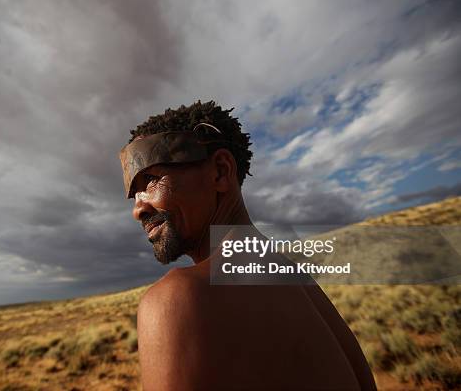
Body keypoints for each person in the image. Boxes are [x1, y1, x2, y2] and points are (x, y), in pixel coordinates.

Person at [118, 100, 377, 390]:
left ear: (220, 171)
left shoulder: (178, 299)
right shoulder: (301, 284)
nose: (138, 209)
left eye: (151, 180)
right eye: (135, 193)